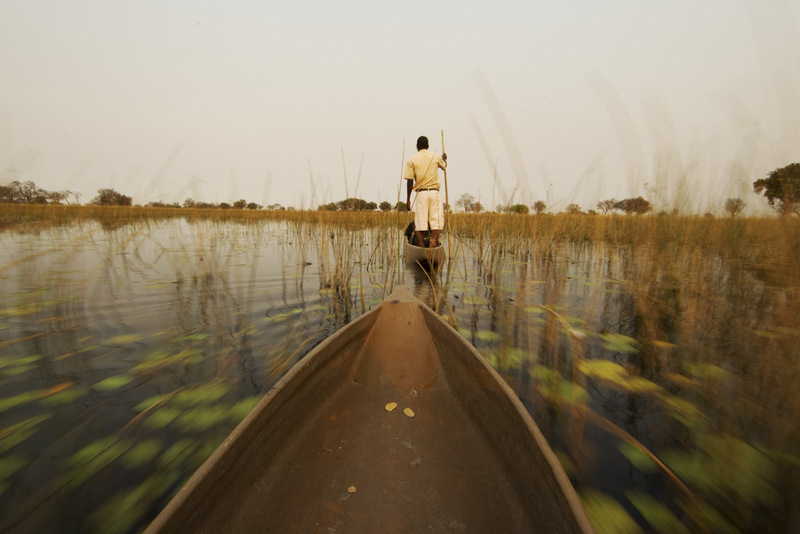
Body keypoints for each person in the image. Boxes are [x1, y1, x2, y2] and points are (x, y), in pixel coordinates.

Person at [404, 135, 447, 248]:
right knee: (436, 223)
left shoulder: (412, 160)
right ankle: (433, 244)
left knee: (420, 224)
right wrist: (444, 160)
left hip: (421, 194)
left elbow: (409, 181)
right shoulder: (436, 157)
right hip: (435, 193)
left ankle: (421, 249)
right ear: (428, 146)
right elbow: (444, 167)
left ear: (417, 146)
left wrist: (408, 200)